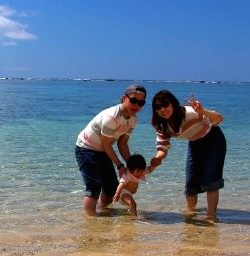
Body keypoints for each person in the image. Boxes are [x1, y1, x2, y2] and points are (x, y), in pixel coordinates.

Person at [148, 90, 226, 220]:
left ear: (173, 103)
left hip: (214, 140)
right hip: (195, 143)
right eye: (158, 107)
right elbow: (163, 147)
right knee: (191, 184)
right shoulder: (162, 126)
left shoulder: (190, 112)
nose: (163, 109)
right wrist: (158, 158)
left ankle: (211, 216)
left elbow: (219, 119)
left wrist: (203, 111)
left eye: (165, 104)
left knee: (211, 181)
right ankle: (190, 215)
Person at [75, 84, 147, 216]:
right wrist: (120, 166)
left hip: (103, 150)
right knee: (94, 188)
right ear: (124, 98)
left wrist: (131, 166)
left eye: (141, 103)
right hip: (86, 149)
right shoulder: (112, 117)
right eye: (134, 101)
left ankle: (101, 213)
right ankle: (91, 223)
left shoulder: (133, 119)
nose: (137, 105)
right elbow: (107, 144)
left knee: (110, 189)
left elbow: (122, 143)